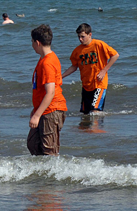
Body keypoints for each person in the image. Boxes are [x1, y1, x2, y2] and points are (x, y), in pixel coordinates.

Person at [61, 23, 119, 114]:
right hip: (86, 85)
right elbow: (74, 66)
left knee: (95, 111)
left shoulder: (99, 44)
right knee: (85, 114)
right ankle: (89, 129)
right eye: (79, 37)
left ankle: (97, 128)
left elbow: (115, 55)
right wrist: (61, 76)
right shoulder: (77, 51)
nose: (80, 39)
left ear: (90, 34)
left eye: (83, 36)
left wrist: (104, 70)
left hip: (99, 83)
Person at [27, 24, 67, 156]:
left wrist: (37, 115)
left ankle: (52, 175)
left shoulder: (47, 62)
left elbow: (50, 92)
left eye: (32, 42)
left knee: (49, 151)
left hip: (52, 110)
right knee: (33, 143)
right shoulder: (44, 59)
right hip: (44, 109)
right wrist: (36, 110)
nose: (32, 45)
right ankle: (40, 175)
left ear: (37, 43)